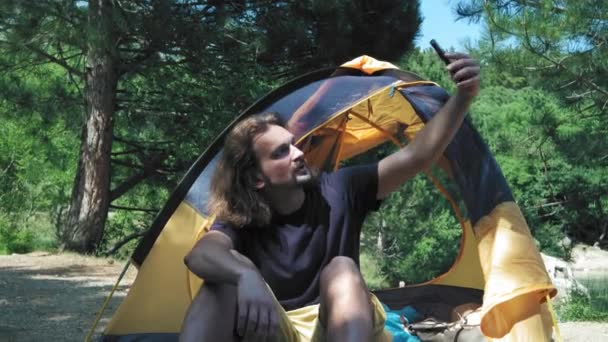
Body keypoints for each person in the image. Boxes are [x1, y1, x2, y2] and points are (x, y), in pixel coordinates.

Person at [180, 52, 480, 342]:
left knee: (342, 268)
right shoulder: (242, 216)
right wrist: (245, 274)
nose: (299, 153)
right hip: (281, 328)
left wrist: (463, 97)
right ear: (257, 178)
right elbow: (199, 255)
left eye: (293, 144)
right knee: (218, 284)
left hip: (343, 320)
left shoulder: (340, 188)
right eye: (282, 152)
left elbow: (418, 156)